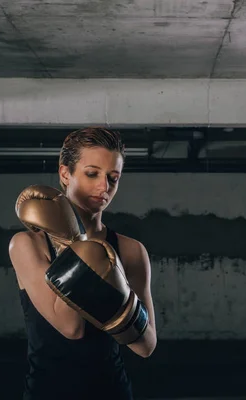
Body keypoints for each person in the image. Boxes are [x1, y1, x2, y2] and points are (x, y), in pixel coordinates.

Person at [8, 127, 157, 399]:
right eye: (92, 174)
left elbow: (146, 345)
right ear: (65, 173)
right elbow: (71, 328)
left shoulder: (131, 251)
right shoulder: (27, 244)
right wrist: (77, 245)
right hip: (47, 391)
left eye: (113, 178)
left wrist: (122, 305)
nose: (104, 187)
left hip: (112, 391)